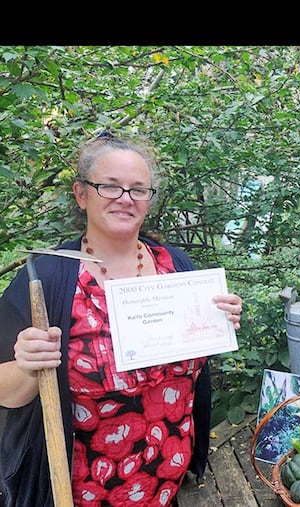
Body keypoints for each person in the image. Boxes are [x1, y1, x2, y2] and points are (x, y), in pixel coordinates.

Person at [0, 132, 244, 506]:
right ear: (82, 194)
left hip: (169, 480)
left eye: (138, 189)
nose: (125, 199)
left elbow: (194, 365)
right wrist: (29, 365)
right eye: (110, 187)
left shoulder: (175, 266)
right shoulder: (47, 278)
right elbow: (5, 391)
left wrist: (218, 320)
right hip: (85, 493)